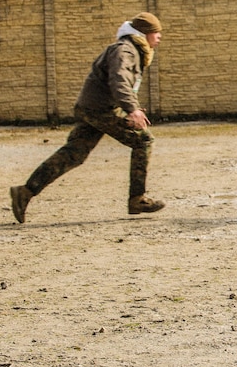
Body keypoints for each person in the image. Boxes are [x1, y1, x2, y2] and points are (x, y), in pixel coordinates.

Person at [9, 12, 167, 223]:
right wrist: (132, 110)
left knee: (75, 153)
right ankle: (137, 198)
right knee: (143, 141)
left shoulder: (131, 50)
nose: (159, 38)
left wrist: (131, 107)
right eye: (156, 33)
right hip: (100, 110)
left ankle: (25, 191)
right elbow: (119, 80)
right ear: (144, 33)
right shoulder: (125, 51)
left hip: (93, 108)